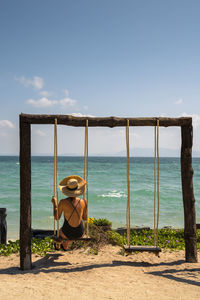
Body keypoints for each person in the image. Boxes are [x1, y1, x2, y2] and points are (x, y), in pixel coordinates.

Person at [51, 175, 87, 250]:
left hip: (67, 234)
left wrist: (54, 203)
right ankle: (66, 244)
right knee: (69, 230)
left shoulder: (63, 202)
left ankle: (63, 243)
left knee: (60, 232)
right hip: (80, 233)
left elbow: (56, 218)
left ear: (67, 190)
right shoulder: (83, 202)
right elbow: (85, 218)